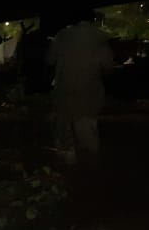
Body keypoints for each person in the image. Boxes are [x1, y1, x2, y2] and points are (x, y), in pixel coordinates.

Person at [45, 10, 114, 168]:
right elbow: (108, 66)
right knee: (87, 130)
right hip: (89, 92)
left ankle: (67, 163)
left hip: (64, 91)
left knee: (64, 130)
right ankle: (90, 169)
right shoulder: (99, 36)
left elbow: (49, 60)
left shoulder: (62, 35)